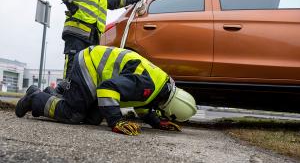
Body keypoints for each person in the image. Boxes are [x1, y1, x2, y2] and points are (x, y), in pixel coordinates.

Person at [15, 46, 197, 136]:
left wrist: (156, 122)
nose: (163, 116)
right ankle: (35, 98)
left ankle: (58, 91)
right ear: (169, 109)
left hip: (97, 68)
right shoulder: (147, 86)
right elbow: (107, 89)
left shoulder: (159, 87)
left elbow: (142, 105)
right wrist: (116, 121)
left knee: (93, 119)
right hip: (90, 64)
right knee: (74, 114)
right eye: (166, 116)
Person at [58, 0, 143, 93]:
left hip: (94, 34)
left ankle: (78, 98)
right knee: (73, 65)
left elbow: (114, 1)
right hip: (77, 27)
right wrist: (70, 3)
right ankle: (66, 94)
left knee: (86, 70)